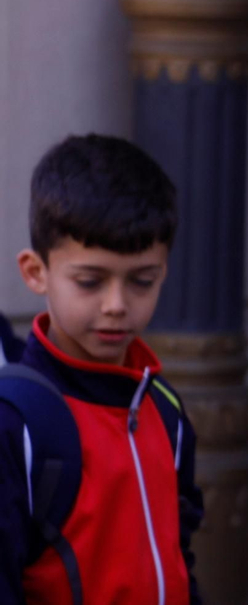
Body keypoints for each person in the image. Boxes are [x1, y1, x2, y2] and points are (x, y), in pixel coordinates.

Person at [0, 134, 203, 605]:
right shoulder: (15, 422)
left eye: (142, 281)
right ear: (35, 272)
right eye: (90, 281)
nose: (116, 305)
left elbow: (178, 559)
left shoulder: (165, 410)